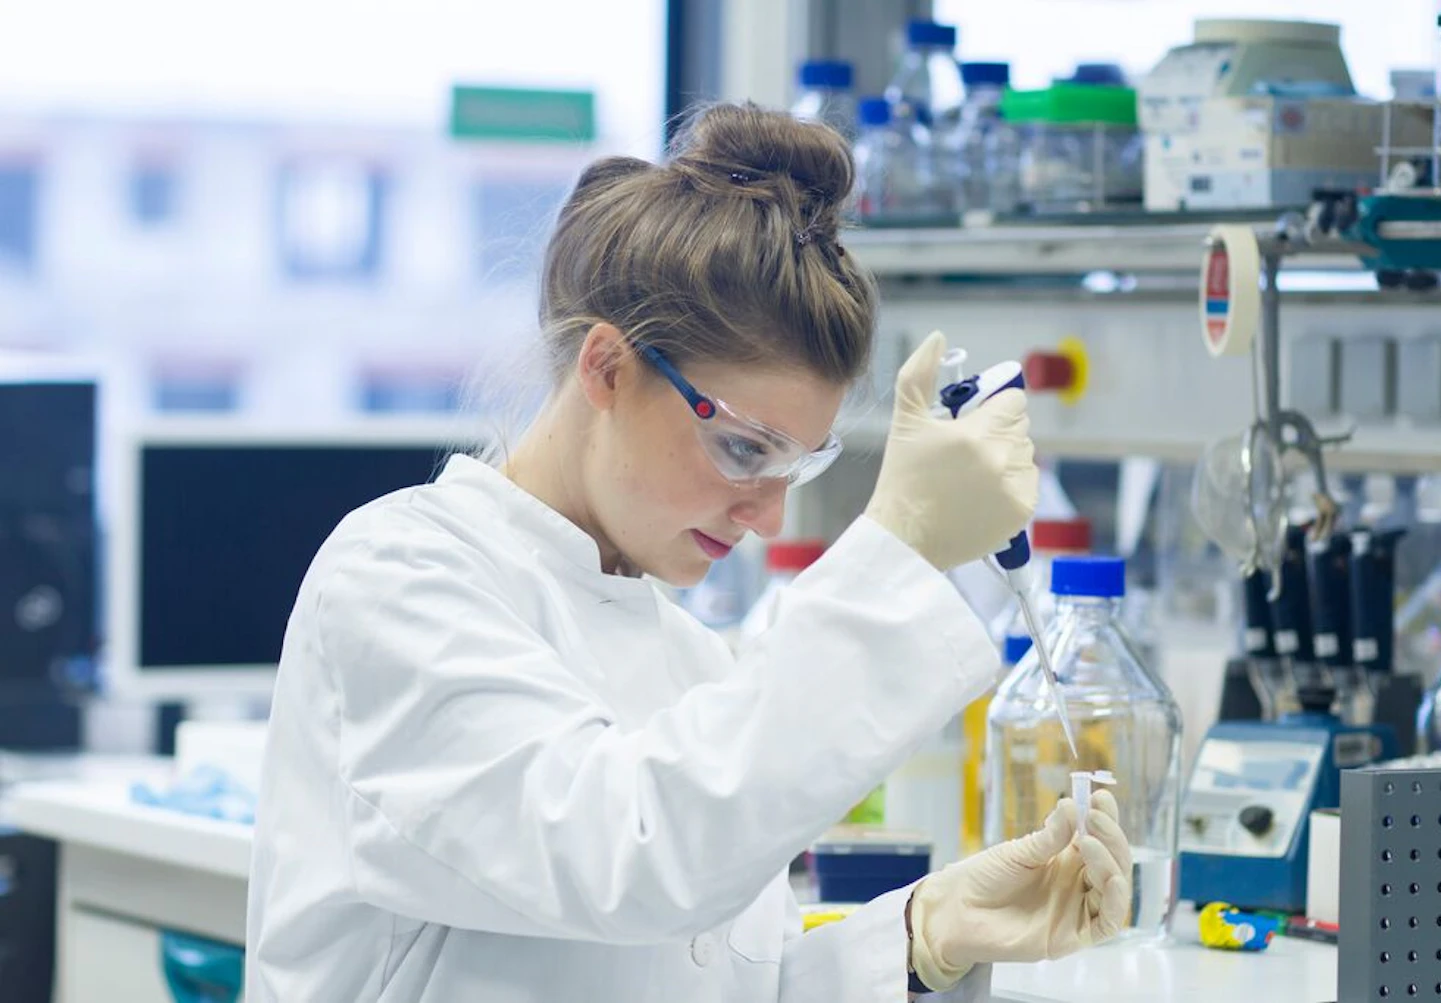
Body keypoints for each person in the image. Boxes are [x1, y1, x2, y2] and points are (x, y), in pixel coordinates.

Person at [245, 102, 1131, 1002]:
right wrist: (899, 541)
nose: (770, 518)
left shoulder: (693, 662)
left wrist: (920, 941)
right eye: (745, 449)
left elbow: (718, 977)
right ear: (607, 368)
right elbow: (627, 855)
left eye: (799, 464)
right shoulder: (399, 578)